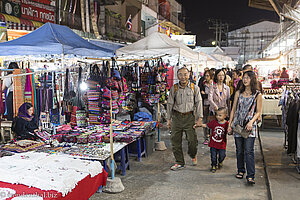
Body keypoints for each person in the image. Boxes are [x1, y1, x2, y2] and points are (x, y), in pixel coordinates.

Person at [228, 71, 263, 185]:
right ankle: (241, 170)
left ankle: (251, 175)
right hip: (238, 125)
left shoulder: (258, 95)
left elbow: (258, 112)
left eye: (247, 78)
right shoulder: (238, 93)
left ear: (252, 80)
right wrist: (230, 124)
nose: (245, 80)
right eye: (244, 78)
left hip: (249, 127)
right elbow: (233, 109)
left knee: (249, 151)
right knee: (239, 151)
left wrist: (251, 122)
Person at [167, 67, 203, 170]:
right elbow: (170, 104)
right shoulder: (174, 88)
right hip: (176, 117)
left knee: (192, 141)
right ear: (177, 76)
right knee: (175, 141)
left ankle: (193, 154)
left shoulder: (194, 88)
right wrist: (168, 119)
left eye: (185, 74)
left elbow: (198, 102)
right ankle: (179, 162)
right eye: (180, 75)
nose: (183, 77)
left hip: (189, 118)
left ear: (189, 75)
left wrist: (200, 118)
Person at [200, 107, 229, 173]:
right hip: (213, 143)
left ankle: (220, 161)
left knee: (222, 155)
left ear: (225, 115)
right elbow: (207, 125)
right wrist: (200, 125)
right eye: (217, 115)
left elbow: (229, 131)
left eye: (220, 115)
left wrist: (231, 130)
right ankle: (213, 165)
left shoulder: (226, 124)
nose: (218, 117)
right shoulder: (214, 122)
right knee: (213, 156)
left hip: (222, 144)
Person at [200, 69, 214, 145]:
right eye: (205, 75)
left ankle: (212, 137)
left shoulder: (214, 85)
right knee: (205, 121)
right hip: (205, 105)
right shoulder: (203, 84)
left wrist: (206, 95)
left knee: (211, 121)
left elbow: (212, 96)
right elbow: (201, 94)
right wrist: (206, 95)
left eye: (208, 75)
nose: (206, 77)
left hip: (212, 106)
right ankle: (206, 138)